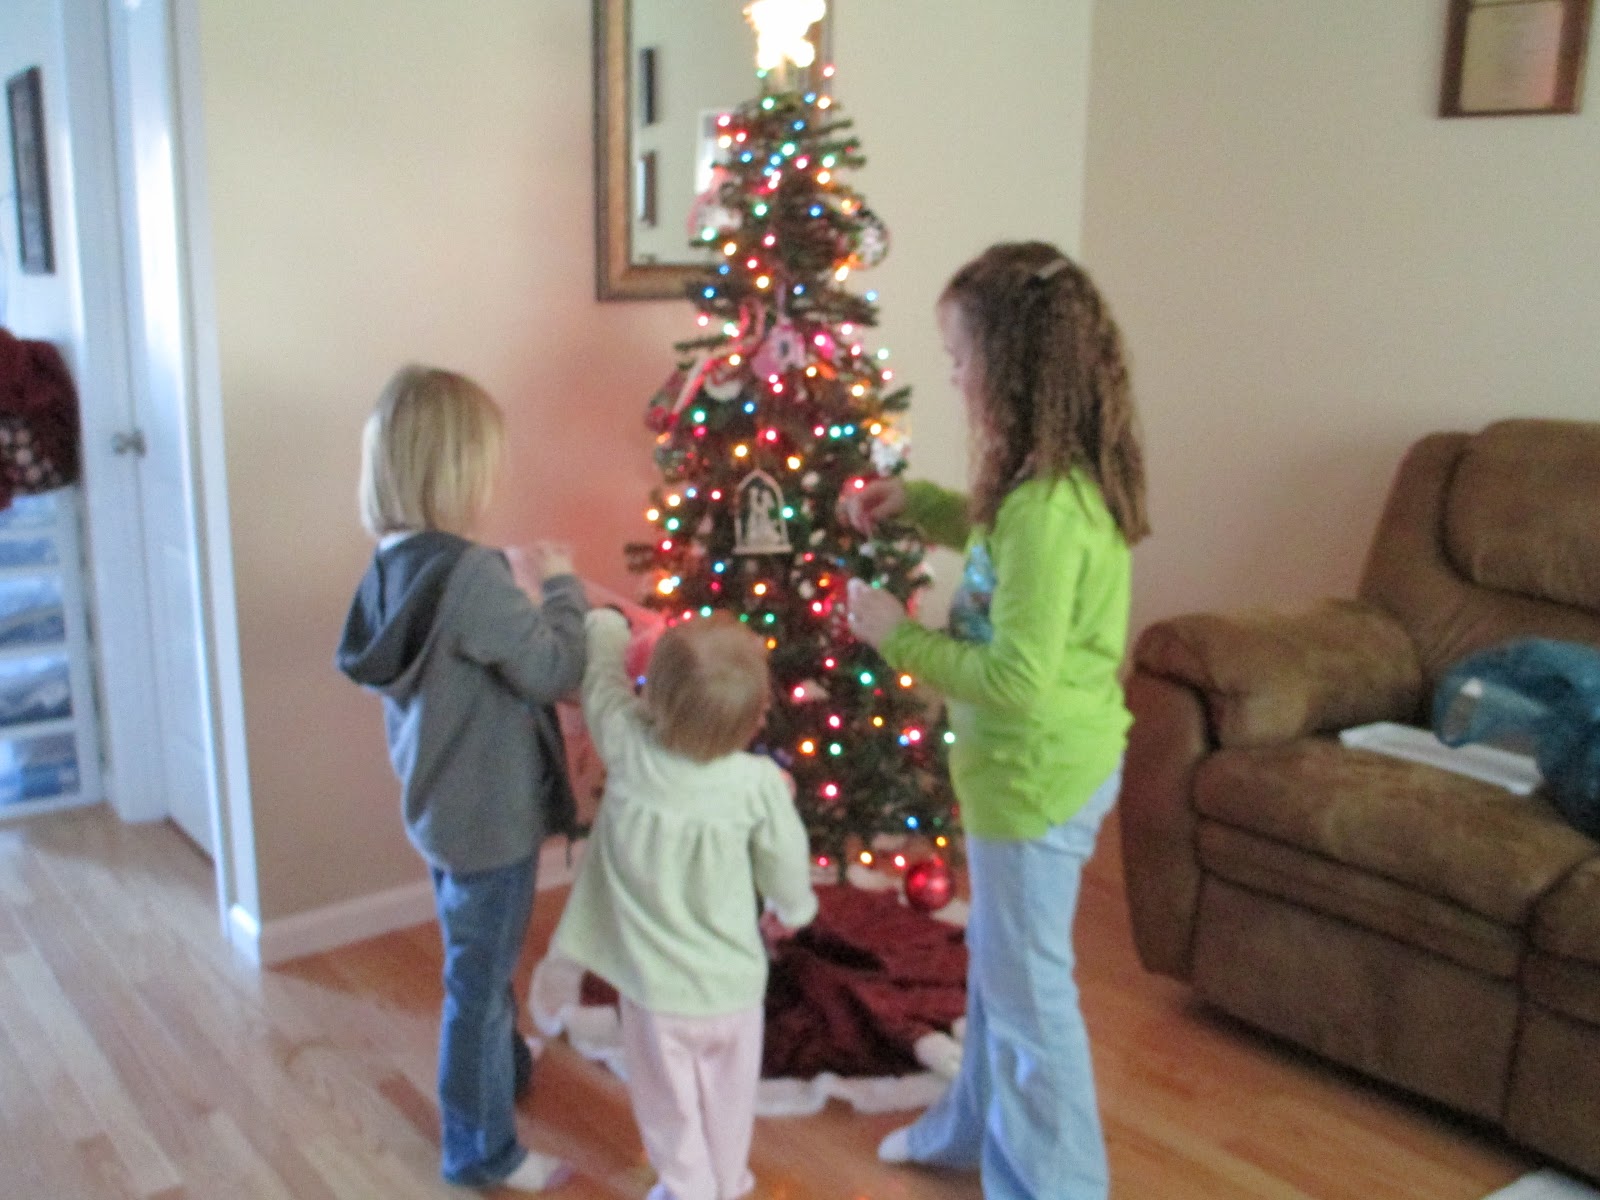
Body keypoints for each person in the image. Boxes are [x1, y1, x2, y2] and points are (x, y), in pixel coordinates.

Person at [842, 242, 1149, 1200]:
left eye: (960, 357)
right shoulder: (1035, 486)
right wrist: (916, 504)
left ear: (1010, 369)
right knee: (999, 973)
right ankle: (971, 1128)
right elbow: (987, 544)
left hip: (1034, 778)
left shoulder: (1047, 512)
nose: (952, 375)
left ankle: (1057, 1184)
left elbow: (1013, 678)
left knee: (1028, 1003)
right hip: (1028, 771)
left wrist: (897, 637)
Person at [335, 365, 586, 1193]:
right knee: (477, 984)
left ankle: (502, 1069)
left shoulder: (392, 565)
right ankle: (481, 1150)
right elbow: (554, 669)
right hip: (492, 820)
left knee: (478, 957)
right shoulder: (471, 575)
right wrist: (561, 585)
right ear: (456, 469)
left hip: (441, 807)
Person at [552, 608, 818, 1200]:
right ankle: (725, 1183)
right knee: (730, 1101)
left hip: (658, 995)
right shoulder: (758, 784)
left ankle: (692, 1190)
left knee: (668, 1111)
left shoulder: (628, 746)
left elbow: (602, 686)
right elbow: (786, 859)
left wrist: (606, 630)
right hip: (735, 989)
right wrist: (791, 909)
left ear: (653, 697)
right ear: (755, 717)